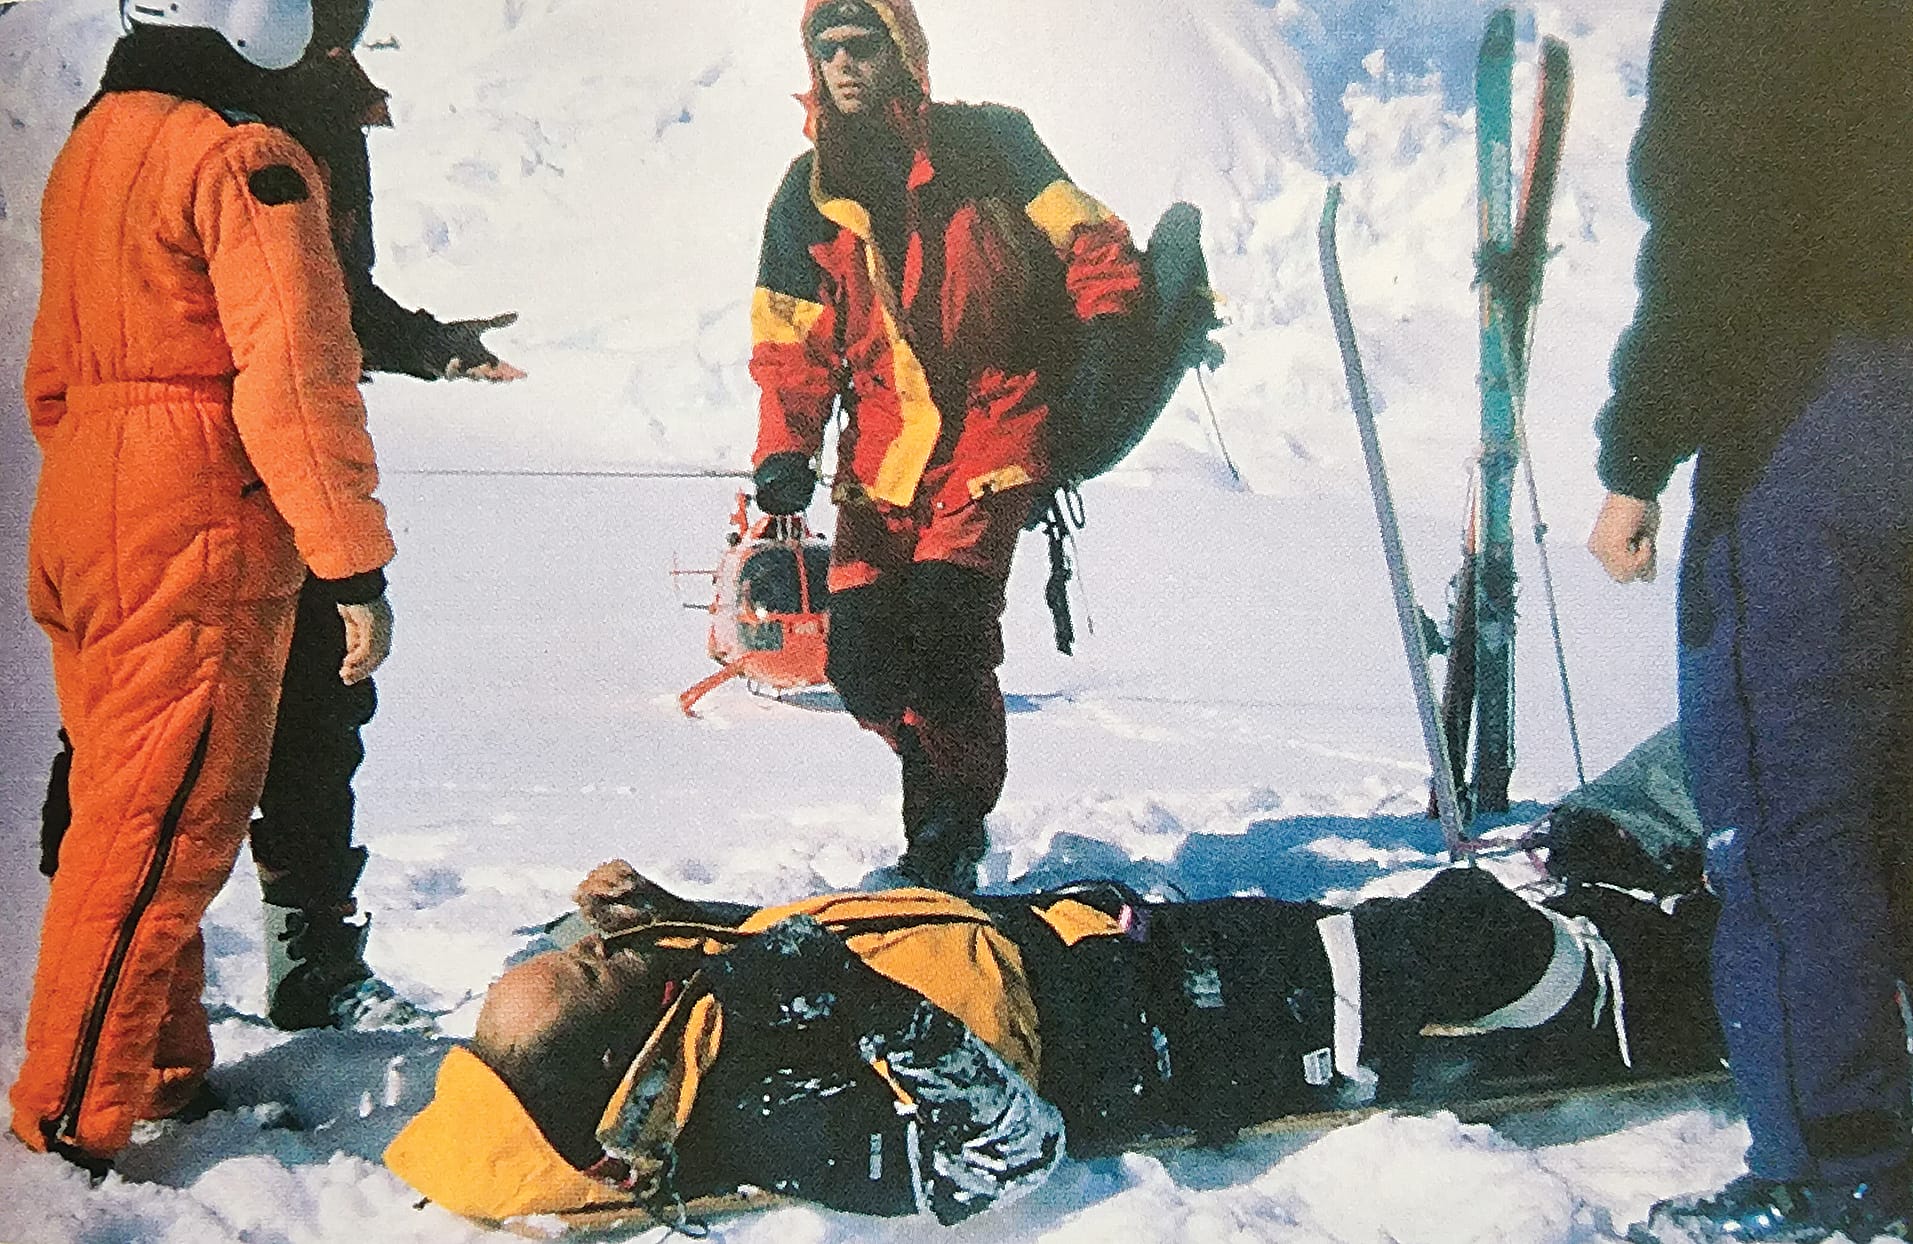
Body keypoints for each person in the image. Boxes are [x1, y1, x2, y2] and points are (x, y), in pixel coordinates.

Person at [33, 26, 524, 1034]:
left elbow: (327, 302)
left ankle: (279, 970)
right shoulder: (226, 132)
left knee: (289, 720)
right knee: (154, 750)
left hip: (170, 477)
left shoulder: (160, 114)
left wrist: (426, 345)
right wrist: (349, 559)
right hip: (227, 479)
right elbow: (289, 355)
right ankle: (102, 1009)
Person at [384, 859, 1722, 1226]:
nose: (595, 942)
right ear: (618, 1053)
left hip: (1164, 957)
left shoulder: (704, 1000)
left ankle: (1669, 940)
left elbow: (840, 943)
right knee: (1468, 937)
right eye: (586, 967)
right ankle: (1683, 986)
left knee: (1428, 925)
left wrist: (683, 916)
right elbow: (1001, 1157)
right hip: (1231, 1038)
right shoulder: (765, 1104)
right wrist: (859, 1004)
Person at [11, 0, 398, 1173]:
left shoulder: (95, 140)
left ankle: (162, 1071)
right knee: (157, 834)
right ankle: (65, 1118)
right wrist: (353, 566)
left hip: (82, 499)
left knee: (123, 809)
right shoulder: (246, 156)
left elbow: (50, 369)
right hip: (194, 518)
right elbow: (295, 378)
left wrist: (102, 481)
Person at [1585, 3, 1913, 1240]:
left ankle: (1833, 1173)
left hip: (1817, 412)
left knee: (1789, 806)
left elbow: (1716, 239)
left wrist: (1634, 457)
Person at [748, 0, 1145, 893]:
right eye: (828, 46)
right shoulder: (803, 191)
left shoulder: (995, 144)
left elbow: (1095, 241)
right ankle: (938, 787)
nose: (844, 62)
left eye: (864, 44)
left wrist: (1111, 339)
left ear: (904, 51)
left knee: (946, 634)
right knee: (860, 662)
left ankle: (946, 827)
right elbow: (792, 340)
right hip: (880, 461)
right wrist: (784, 447)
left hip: (999, 429)